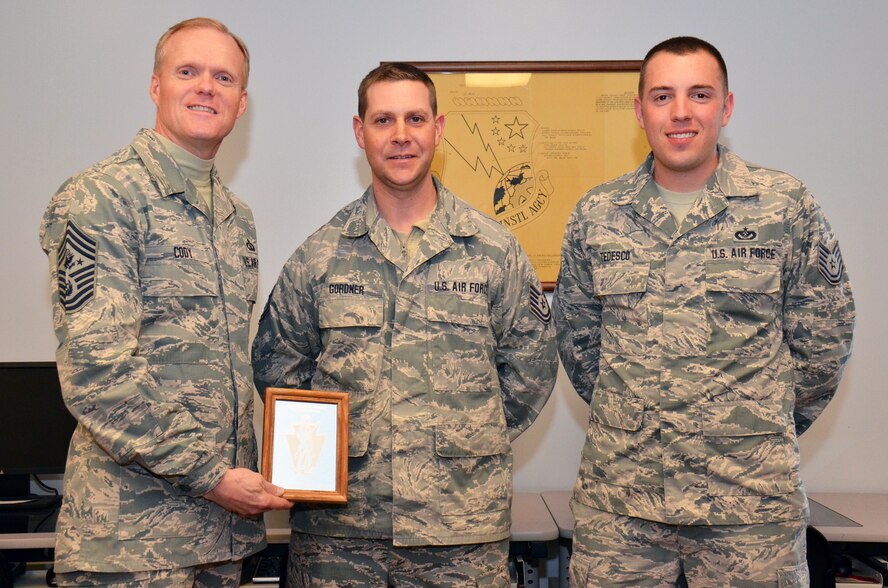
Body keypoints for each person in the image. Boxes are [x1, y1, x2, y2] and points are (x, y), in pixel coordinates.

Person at [552, 36, 855, 586]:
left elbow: (823, 343)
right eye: (663, 96)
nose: (681, 113)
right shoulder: (598, 215)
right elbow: (580, 346)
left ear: (726, 106)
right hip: (624, 503)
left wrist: (754, 424)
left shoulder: (784, 206)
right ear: (639, 110)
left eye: (699, 94)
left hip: (750, 505)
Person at [252, 62, 557, 587]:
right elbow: (278, 368)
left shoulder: (493, 251)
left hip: (461, 529)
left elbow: (531, 371)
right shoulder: (320, 255)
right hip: (339, 534)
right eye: (383, 120)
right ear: (359, 131)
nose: (400, 136)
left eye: (415, 119)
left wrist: (461, 438)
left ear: (438, 130)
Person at [39, 17, 291, 587]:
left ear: (241, 102)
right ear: (157, 86)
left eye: (223, 77)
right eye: (188, 71)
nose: (206, 87)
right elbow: (97, 372)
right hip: (131, 545)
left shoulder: (235, 218)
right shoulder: (103, 197)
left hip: (221, 542)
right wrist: (212, 475)